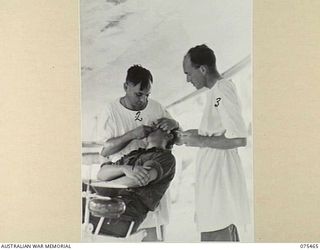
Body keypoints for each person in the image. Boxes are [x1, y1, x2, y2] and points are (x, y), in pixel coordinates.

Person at [97, 65, 179, 240]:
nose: (143, 100)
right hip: (120, 172)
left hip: (149, 178)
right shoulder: (111, 111)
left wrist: (175, 124)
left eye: (147, 95)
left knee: (153, 237)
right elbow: (105, 151)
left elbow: (176, 137)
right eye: (139, 94)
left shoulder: (156, 108)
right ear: (126, 87)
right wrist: (132, 135)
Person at [177, 44, 250, 241]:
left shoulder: (222, 89)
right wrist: (195, 135)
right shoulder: (215, 93)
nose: (187, 79)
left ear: (202, 69)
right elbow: (219, 131)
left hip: (220, 185)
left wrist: (200, 140)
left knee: (219, 232)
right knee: (211, 230)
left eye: (188, 73)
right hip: (213, 185)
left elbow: (239, 138)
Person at [87, 128, 176, 238]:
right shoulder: (134, 154)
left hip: (124, 215)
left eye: (157, 127)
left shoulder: (165, 158)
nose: (151, 127)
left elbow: (138, 179)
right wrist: (124, 169)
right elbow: (101, 174)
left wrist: (108, 183)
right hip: (104, 207)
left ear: (169, 136)